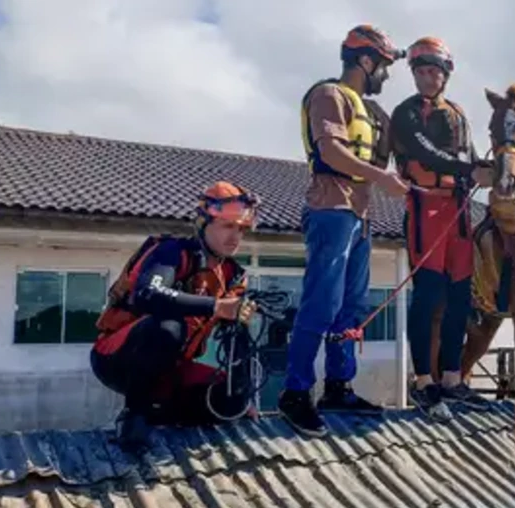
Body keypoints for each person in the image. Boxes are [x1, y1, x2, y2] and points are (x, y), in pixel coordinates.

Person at [278, 24, 411, 438]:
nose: (386, 76)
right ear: (366, 61)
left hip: (360, 216)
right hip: (331, 210)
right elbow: (331, 150)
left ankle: (338, 386)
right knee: (322, 301)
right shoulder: (329, 95)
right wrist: (382, 178)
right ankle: (295, 393)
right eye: (385, 66)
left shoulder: (370, 111)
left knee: (351, 306)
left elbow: (405, 153)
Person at [90, 181, 261, 449]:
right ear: (204, 223)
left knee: (229, 402)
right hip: (118, 356)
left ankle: (160, 414)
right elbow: (149, 293)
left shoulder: (234, 275)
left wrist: (242, 395)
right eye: (228, 226)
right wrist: (215, 306)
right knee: (169, 327)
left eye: (241, 229)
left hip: (173, 368)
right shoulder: (172, 252)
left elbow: (235, 339)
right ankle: (134, 417)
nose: (236, 237)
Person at [390, 36, 493, 422]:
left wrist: (492, 171)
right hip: (426, 206)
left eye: (435, 71)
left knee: (459, 299)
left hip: (461, 210)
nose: (429, 78)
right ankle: (423, 382)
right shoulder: (406, 113)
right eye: (422, 71)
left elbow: (470, 156)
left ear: (446, 74)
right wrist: (470, 170)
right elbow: (423, 153)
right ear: (414, 74)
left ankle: (453, 378)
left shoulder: (458, 113)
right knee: (429, 296)